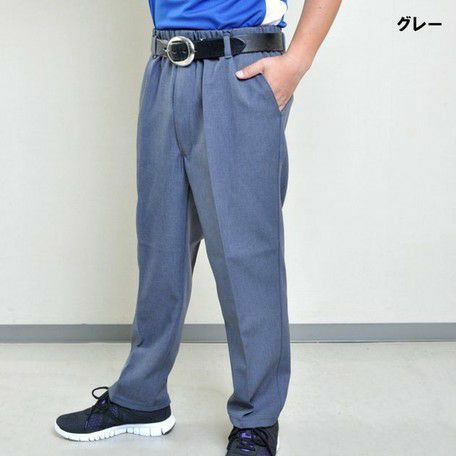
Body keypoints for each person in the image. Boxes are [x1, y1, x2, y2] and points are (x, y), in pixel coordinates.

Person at [54, 0, 341, 454]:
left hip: (239, 69)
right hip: (166, 64)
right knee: (160, 246)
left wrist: (297, 62)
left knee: (245, 254)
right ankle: (140, 397)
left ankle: (257, 419)